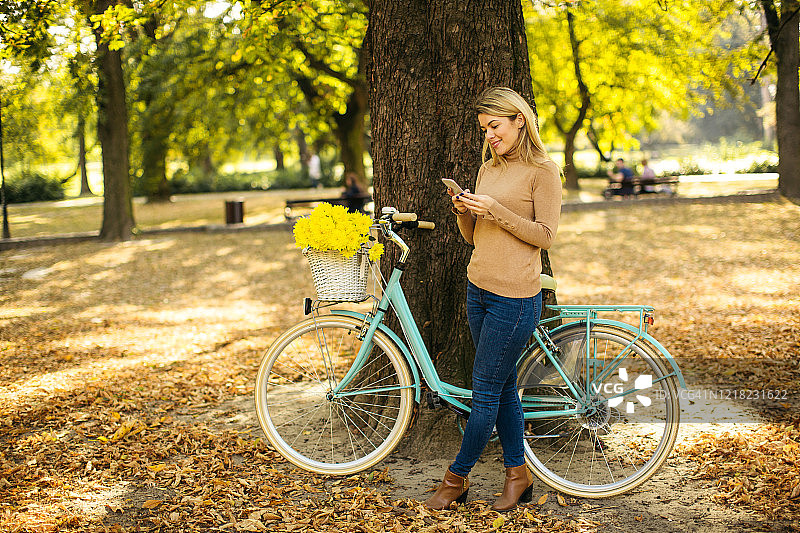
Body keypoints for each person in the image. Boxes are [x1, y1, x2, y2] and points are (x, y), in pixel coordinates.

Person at [428, 87, 561, 512]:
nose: (489, 135)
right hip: (478, 289)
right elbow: (474, 238)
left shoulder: (544, 170)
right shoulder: (488, 170)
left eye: (495, 126)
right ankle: (517, 478)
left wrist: (496, 210)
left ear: (519, 120)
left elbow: (545, 236)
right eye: (484, 129)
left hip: (515, 297)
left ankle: (455, 480)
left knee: (483, 393)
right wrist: (465, 210)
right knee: (502, 390)